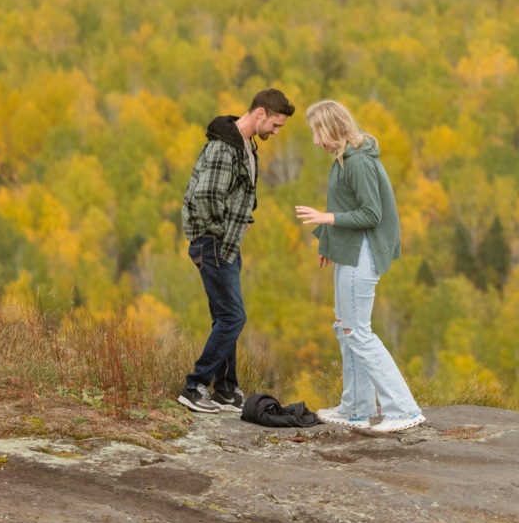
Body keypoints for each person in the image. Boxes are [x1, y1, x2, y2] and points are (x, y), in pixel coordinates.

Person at [295, 99, 425, 434]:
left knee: (358, 332)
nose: (315, 140)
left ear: (332, 128)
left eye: (316, 132)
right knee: (345, 327)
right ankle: (356, 409)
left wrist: (326, 219)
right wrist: (327, 239)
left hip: (363, 254)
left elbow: (371, 214)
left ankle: (404, 410)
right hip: (349, 251)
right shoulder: (342, 159)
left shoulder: (358, 163)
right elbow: (343, 204)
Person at [177, 87, 295, 414]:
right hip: (214, 242)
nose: (275, 131)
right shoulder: (223, 148)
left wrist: (241, 222)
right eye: (275, 125)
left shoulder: (246, 146)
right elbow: (204, 197)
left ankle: (225, 390)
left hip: (227, 242)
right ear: (260, 114)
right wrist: (221, 229)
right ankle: (194, 386)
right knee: (233, 316)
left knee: (224, 316)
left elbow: (234, 194)